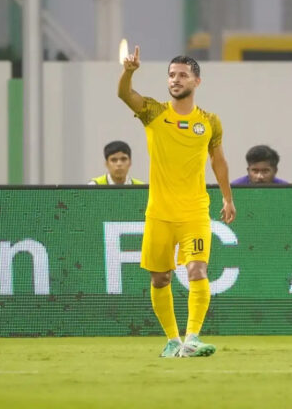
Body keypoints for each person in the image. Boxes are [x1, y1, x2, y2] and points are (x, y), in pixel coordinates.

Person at [118, 46, 236, 358]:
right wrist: (129, 71)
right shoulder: (154, 112)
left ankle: (192, 338)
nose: (175, 80)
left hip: (195, 211)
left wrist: (227, 198)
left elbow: (219, 161)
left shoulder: (209, 122)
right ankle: (172, 341)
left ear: (197, 81)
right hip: (159, 212)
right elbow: (124, 94)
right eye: (171, 75)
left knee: (197, 270)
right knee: (160, 278)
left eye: (182, 75)